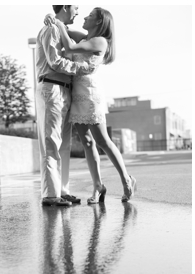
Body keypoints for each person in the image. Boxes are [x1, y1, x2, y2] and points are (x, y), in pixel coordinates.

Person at [45, 7, 137, 204]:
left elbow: (68, 47)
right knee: (87, 142)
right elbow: (61, 28)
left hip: (90, 94)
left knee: (102, 140)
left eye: (90, 15)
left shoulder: (100, 41)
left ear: (98, 22)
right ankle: (98, 187)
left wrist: (58, 23)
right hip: (76, 92)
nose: (84, 16)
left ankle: (126, 180)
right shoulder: (85, 37)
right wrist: (51, 18)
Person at [36, 5, 98, 207]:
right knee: (51, 141)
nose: (78, 12)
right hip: (51, 87)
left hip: (65, 89)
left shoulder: (61, 28)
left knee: (64, 145)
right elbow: (54, 61)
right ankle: (51, 194)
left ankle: (62, 190)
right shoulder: (52, 28)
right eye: (76, 8)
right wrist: (80, 69)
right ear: (65, 6)